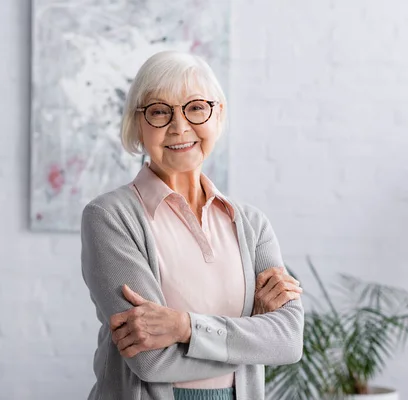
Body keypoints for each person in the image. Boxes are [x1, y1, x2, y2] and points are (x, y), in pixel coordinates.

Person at [80, 50, 304, 400]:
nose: (180, 126)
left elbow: (288, 341)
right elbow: (152, 360)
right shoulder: (109, 216)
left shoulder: (252, 225)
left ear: (218, 116)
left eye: (196, 107)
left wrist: (183, 327)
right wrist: (252, 340)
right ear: (137, 125)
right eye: (158, 112)